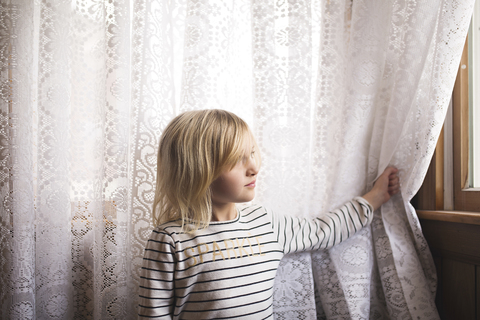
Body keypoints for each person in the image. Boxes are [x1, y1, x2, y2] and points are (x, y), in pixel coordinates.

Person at [138, 109, 400, 319]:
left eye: (251, 154)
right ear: (197, 170)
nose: (253, 167)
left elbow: (324, 230)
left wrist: (374, 198)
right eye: (236, 159)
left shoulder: (265, 223)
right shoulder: (170, 240)